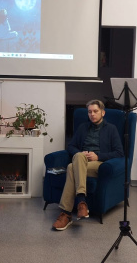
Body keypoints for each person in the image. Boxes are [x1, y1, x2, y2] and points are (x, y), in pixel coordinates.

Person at [52, 99, 124, 231]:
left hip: (98, 164)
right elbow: (71, 146)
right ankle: (81, 203)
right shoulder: (83, 127)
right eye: (90, 112)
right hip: (81, 161)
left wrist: (98, 156)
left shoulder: (111, 129)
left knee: (71, 167)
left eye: (95, 111)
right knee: (77, 159)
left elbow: (119, 152)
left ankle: (67, 213)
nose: (92, 114)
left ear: (103, 113)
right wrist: (80, 153)